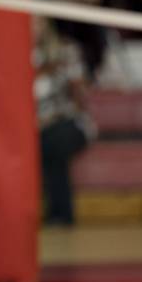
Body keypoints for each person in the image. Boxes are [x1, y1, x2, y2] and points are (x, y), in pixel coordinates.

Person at [33, 17, 97, 226]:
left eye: (37, 22)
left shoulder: (66, 50)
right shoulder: (16, 55)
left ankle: (59, 213)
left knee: (52, 141)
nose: (33, 27)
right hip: (39, 130)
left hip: (70, 123)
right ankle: (61, 213)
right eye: (28, 22)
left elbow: (80, 96)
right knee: (48, 143)